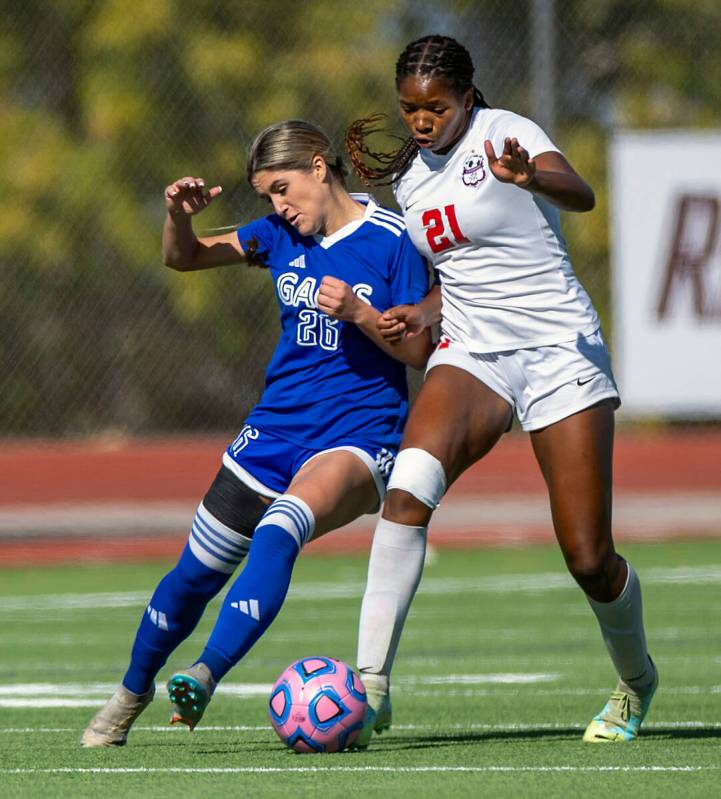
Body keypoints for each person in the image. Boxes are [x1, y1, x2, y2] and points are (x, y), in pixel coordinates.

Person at [345, 34, 657, 747]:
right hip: (474, 352)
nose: (421, 121)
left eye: (435, 107)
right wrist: (421, 312)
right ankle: (368, 687)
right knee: (408, 486)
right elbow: (456, 278)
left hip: (557, 352)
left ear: (465, 96)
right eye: (409, 108)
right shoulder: (412, 179)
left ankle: (636, 681)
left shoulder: (506, 132)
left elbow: (579, 193)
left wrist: (531, 179)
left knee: (587, 555)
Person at [81, 120, 431, 747]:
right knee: (193, 576)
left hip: (357, 435)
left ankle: (205, 674)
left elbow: (421, 351)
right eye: (268, 195)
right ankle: (129, 695)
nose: (278, 206)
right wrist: (177, 217)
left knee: (282, 528)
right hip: (271, 433)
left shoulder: (392, 240)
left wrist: (360, 313)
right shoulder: (275, 236)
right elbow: (181, 257)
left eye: (283, 188)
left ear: (320, 167)